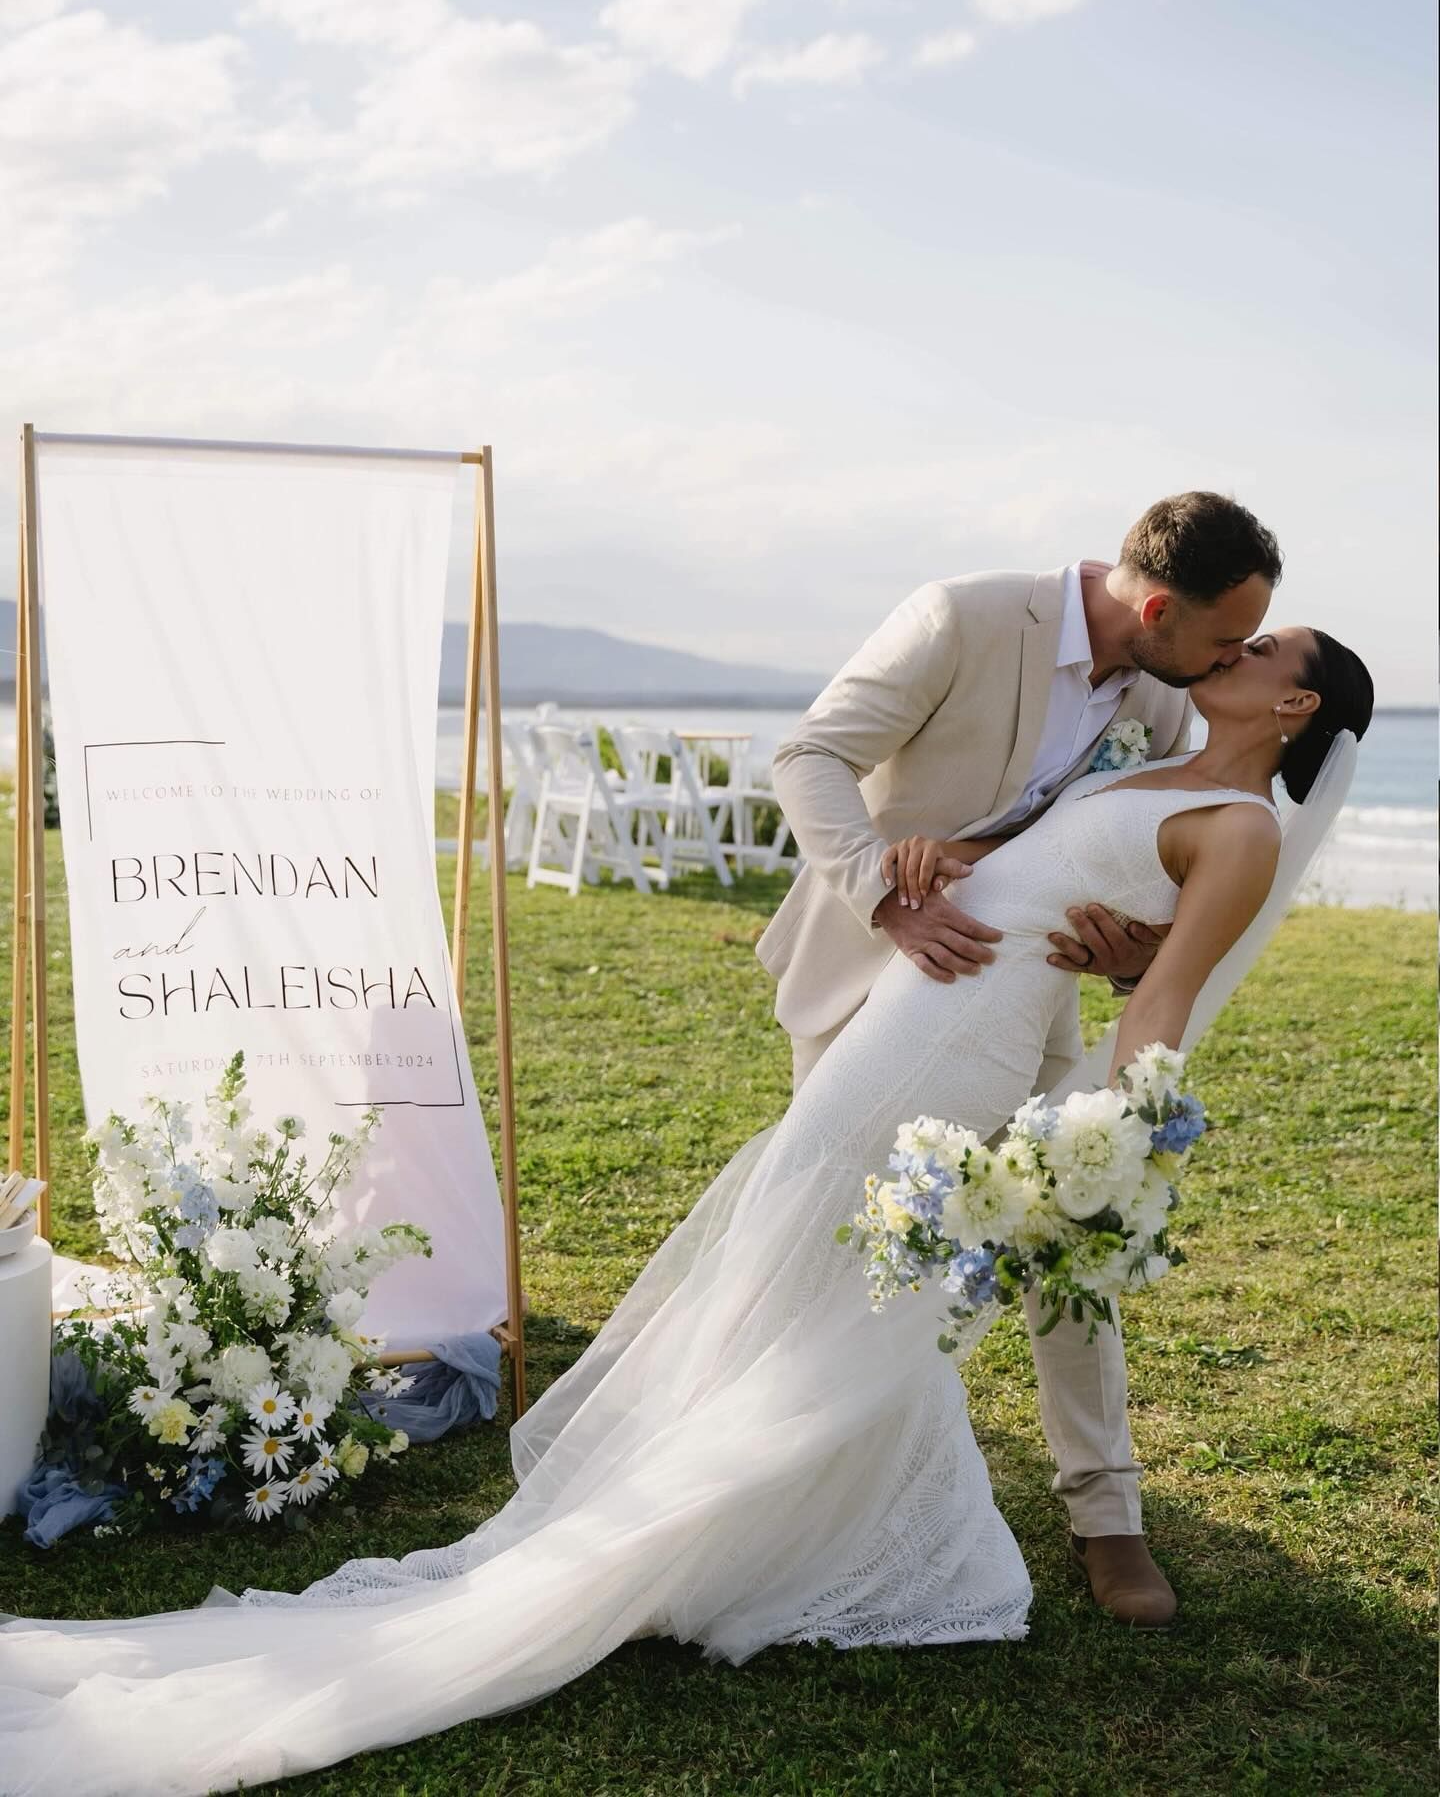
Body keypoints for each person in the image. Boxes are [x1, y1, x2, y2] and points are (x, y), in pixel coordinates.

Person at [0, 621, 1372, 1797]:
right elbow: (1051, 870)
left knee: (843, 1281)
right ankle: (765, 1524)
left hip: (963, 1056)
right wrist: (957, 859)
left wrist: (1113, 1151)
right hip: (912, 1016)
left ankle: (781, 1534)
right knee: (802, 1252)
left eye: (1259, 649)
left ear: (1294, 704)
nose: (1229, 651)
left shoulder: (1239, 827)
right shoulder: (1156, 762)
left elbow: (1164, 1001)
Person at [759, 491, 1281, 1624]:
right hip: (878, 989)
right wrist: (881, 902)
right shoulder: (961, 618)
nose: (1233, 658)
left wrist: (1135, 950)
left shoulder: (1164, 687)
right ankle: (786, 1485)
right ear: (1154, 608)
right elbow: (808, 755)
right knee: (830, 1243)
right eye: (1225, 639)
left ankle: (1108, 1519)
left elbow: (1126, 841)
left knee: (1067, 1238)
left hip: (1029, 1012)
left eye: (1251, 645)